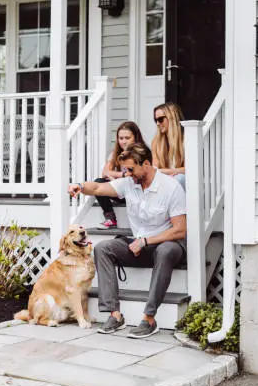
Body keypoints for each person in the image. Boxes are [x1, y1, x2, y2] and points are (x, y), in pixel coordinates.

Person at [68, 142, 187, 338]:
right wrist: (80, 186)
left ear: (146, 164)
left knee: (166, 250)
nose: (127, 174)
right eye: (125, 170)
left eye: (131, 169)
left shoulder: (170, 187)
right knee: (103, 248)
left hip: (167, 245)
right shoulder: (129, 183)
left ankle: (149, 319)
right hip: (138, 245)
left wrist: (146, 241)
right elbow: (98, 187)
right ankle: (115, 315)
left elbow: (180, 230)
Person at [94, 121, 147, 229]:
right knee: (99, 182)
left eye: (127, 138)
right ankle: (110, 218)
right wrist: (122, 175)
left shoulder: (143, 153)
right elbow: (105, 172)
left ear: (136, 137)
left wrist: (117, 176)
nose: (123, 141)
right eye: (121, 138)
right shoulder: (116, 153)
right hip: (124, 191)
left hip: (140, 192)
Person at [151, 102, 186, 190]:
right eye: (156, 120)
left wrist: (167, 172)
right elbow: (155, 169)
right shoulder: (156, 142)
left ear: (172, 118)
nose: (158, 123)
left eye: (161, 119)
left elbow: (188, 169)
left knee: (179, 178)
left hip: (183, 181)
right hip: (165, 180)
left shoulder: (186, 139)